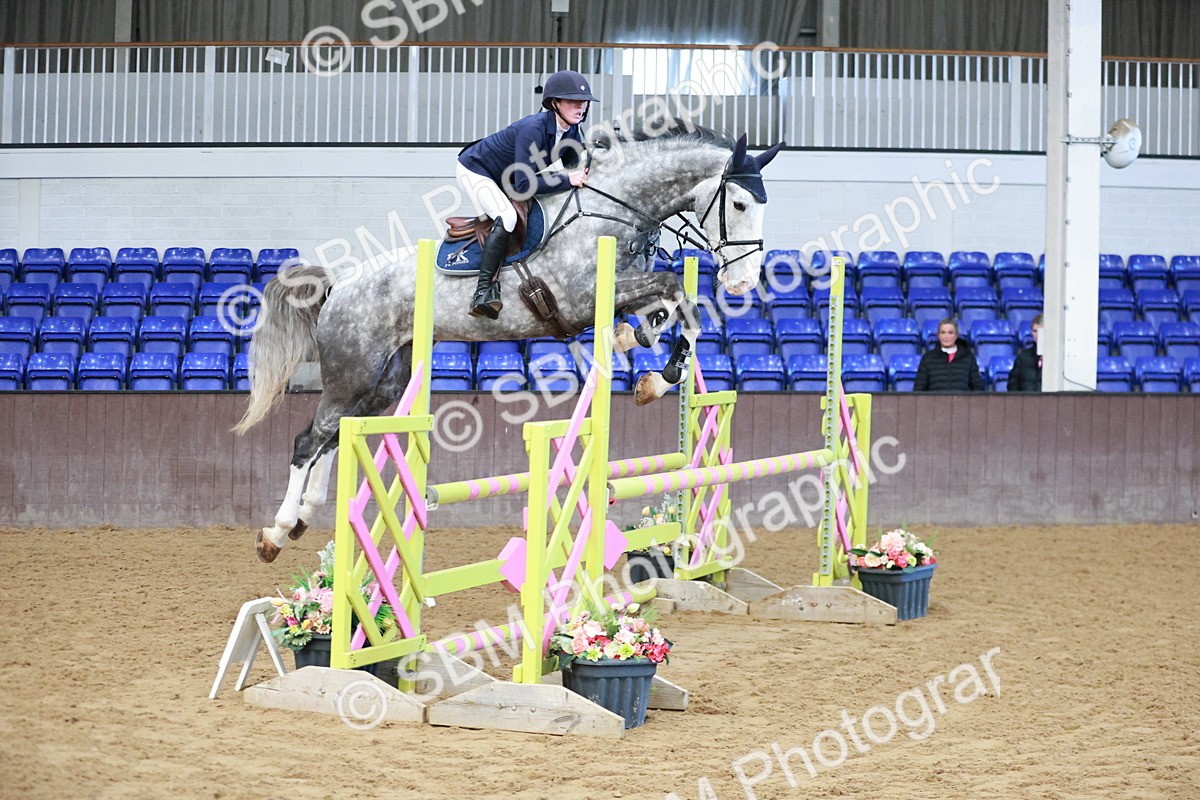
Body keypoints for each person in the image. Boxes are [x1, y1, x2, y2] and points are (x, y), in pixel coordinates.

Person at [456, 69, 597, 319]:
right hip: (477, 170)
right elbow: (523, 186)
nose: (581, 107)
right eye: (573, 101)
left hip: (508, 176)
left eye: (583, 102)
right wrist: (567, 179)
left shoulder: (572, 131)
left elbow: (577, 169)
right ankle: (483, 291)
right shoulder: (534, 129)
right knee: (508, 217)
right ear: (555, 103)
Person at [913, 318, 985, 391]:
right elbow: (919, 389)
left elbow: (978, 388)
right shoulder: (928, 358)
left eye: (950, 333)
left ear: (956, 335)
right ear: (938, 335)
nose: (946, 336)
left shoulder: (968, 357)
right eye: (943, 332)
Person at [1007, 313, 1044, 391]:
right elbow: (1012, 385)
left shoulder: (1056, 359)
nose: (1037, 335)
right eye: (1035, 331)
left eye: (1041, 331)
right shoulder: (1023, 357)